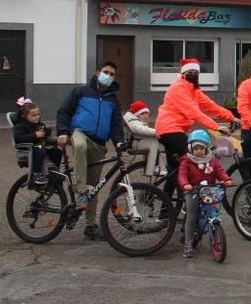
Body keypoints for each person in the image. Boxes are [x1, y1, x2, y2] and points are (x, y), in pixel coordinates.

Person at [55, 61, 127, 240]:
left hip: (99, 143)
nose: (108, 76)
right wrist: (63, 133)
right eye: (106, 72)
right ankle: (81, 191)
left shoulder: (113, 100)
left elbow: (116, 124)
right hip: (79, 134)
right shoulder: (80, 91)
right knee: (80, 146)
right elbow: (64, 111)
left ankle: (90, 225)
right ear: (97, 72)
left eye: (112, 74)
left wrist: (119, 142)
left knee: (95, 185)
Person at [155, 58, 238, 198]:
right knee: (192, 160)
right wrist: (216, 126)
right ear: (183, 73)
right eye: (190, 72)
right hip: (169, 129)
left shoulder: (194, 90)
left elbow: (210, 106)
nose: (193, 74)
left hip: (176, 130)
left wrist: (231, 117)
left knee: (175, 169)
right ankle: (191, 201)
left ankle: (166, 210)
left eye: (196, 72)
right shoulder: (178, 87)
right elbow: (193, 112)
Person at [176, 129, 234, 258]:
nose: (198, 151)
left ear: (206, 148)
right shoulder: (186, 161)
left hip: (209, 191)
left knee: (212, 211)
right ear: (190, 148)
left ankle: (211, 227)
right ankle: (188, 244)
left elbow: (219, 171)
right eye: (195, 148)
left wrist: (226, 179)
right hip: (193, 192)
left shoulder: (211, 160)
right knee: (191, 217)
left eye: (201, 148)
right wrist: (185, 184)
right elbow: (182, 175)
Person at [13, 97, 63, 186]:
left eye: (38, 114)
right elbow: (19, 138)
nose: (37, 117)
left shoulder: (40, 125)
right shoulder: (20, 126)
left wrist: (55, 141)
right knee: (41, 150)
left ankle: (54, 172)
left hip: (39, 146)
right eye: (33, 115)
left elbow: (45, 139)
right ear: (24, 116)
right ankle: (36, 174)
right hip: (27, 148)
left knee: (57, 151)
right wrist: (35, 135)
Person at [123, 100, 163, 178]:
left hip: (138, 142)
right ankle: (153, 167)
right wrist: (154, 132)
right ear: (136, 114)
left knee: (156, 150)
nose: (145, 115)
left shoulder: (135, 121)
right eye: (142, 113)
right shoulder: (134, 122)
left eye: (146, 113)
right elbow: (140, 129)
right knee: (154, 143)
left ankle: (156, 166)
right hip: (137, 143)